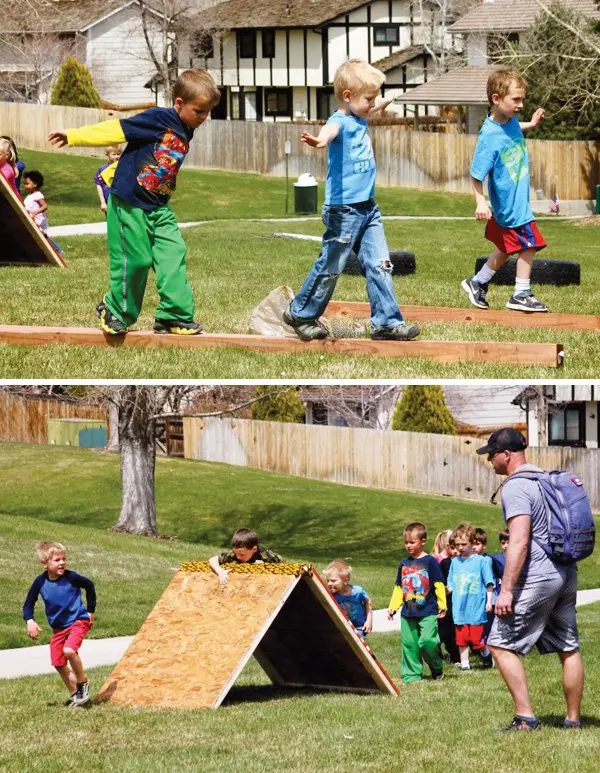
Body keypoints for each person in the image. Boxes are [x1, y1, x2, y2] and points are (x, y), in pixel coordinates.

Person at [48, 68, 221, 336]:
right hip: (129, 204)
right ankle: (114, 310)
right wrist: (74, 136)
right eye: (199, 111)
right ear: (179, 103)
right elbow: (116, 130)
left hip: (159, 207)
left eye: (207, 112)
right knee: (136, 260)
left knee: (173, 254)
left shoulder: (187, 128)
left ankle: (173, 316)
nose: (203, 118)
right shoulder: (158, 118)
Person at [283, 58, 420, 343]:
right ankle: (301, 313)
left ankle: (385, 323)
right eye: (368, 98)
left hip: (368, 208)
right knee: (332, 265)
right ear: (348, 97)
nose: (372, 103)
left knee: (380, 263)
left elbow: (375, 103)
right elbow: (328, 133)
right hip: (343, 210)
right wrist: (319, 141)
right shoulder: (339, 122)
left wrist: (386, 99)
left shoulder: (360, 116)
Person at [476, 428, 584, 732]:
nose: (490, 461)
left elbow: (519, 541)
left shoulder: (516, 486)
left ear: (507, 455)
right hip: (566, 571)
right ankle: (572, 720)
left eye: (492, 454)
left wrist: (506, 591)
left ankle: (525, 718)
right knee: (568, 646)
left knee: (498, 643)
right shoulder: (547, 480)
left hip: (539, 575)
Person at [461, 68, 548, 314]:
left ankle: (477, 282)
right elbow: (476, 175)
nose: (521, 104)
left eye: (522, 99)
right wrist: (480, 202)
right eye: (516, 100)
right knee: (529, 244)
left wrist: (530, 123)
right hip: (509, 207)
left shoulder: (509, 122)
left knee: (507, 248)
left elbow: (512, 130)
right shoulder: (489, 136)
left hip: (517, 202)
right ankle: (521, 293)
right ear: (496, 100)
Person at [22, 541, 95, 706]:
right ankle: (77, 696)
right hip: (58, 629)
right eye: (57, 560)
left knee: (69, 651)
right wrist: (30, 620)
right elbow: (28, 604)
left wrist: (91, 610)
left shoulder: (71, 577)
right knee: (58, 662)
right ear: (45, 564)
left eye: (63, 559)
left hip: (78, 621)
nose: (62, 562)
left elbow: (89, 586)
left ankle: (82, 684)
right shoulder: (40, 582)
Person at [387, 522, 446, 683]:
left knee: (427, 641)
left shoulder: (430, 562)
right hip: (408, 613)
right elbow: (399, 588)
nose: (408, 545)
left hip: (427, 611)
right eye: (406, 542)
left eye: (412, 542)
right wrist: (393, 607)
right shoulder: (404, 564)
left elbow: (438, 584)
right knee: (410, 644)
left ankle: (436, 666)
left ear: (423, 541)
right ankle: (412, 675)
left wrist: (442, 604)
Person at [447, 522, 494, 671]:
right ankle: (465, 664)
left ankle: (486, 655)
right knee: (461, 640)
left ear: (472, 543)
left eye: (463, 544)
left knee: (476, 640)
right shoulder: (454, 562)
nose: (460, 548)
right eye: (457, 545)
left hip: (475, 607)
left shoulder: (481, 561)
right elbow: (450, 583)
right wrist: (445, 591)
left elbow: (489, 583)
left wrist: (489, 601)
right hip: (459, 607)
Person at [208, 528, 282, 585]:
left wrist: (265, 566)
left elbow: (280, 561)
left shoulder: (264, 555)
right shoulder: (235, 554)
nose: (238, 557)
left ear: (254, 549)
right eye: (235, 553)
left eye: (242, 554)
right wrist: (220, 572)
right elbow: (212, 560)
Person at [323, 559, 373, 639]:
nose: (329, 583)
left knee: (356, 643)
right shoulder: (331, 594)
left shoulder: (358, 592)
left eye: (333, 581)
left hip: (359, 627)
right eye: (328, 580)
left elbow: (368, 602)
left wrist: (369, 621)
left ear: (345, 581)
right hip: (342, 627)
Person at [438, 534, 460, 666]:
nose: (456, 551)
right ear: (448, 548)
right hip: (449, 601)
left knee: (458, 631)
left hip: (462, 601)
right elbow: (440, 582)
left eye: (458, 547)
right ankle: (452, 654)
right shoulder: (445, 563)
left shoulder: (467, 563)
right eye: (453, 547)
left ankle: (458, 656)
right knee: (446, 630)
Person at [94, 145, 122, 214]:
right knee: (111, 223)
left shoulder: (122, 167)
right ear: (107, 155)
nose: (116, 156)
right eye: (114, 154)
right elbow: (99, 185)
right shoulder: (103, 169)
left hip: (121, 202)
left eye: (118, 154)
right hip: (108, 202)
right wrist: (102, 202)